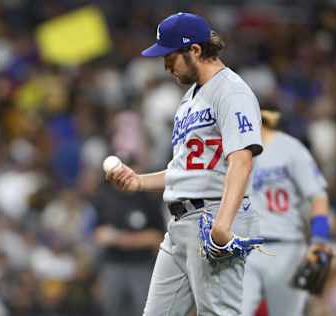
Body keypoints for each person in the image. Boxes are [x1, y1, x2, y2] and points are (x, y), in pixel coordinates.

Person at [106, 12, 264, 316]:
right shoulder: (189, 99)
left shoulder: (231, 91)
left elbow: (242, 159)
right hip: (179, 224)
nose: (165, 65)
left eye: (170, 56)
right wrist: (139, 181)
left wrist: (223, 223)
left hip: (212, 215)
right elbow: (187, 170)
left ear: (195, 50)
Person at [241, 105, 332, 316]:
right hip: (245, 249)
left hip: (287, 248)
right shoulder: (233, 150)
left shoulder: (291, 149)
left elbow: (318, 196)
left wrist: (319, 239)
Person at [92, 158, 165, 316]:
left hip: (142, 266)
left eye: (130, 164)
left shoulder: (148, 199)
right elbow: (99, 236)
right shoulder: (104, 197)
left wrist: (120, 239)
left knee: (145, 312)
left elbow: (158, 238)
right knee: (110, 311)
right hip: (113, 266)